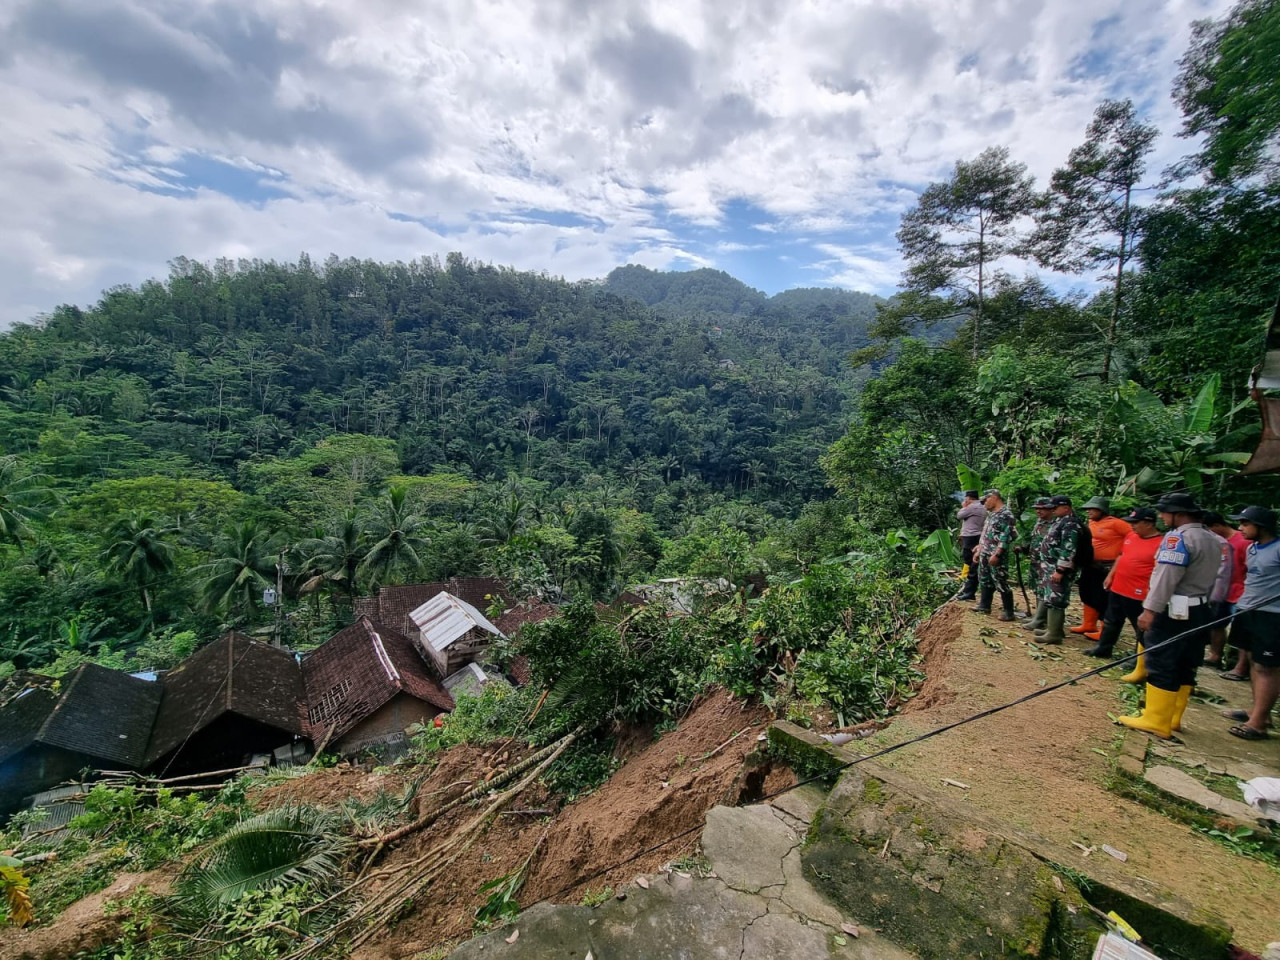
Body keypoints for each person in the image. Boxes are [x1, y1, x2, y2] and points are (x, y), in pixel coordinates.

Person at [1118, 493, 1222, 739]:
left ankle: (1155, 720)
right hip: (1200, 608)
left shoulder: (1178, 539)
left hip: (1174, 609)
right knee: (1187, 661)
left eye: (1165, 513)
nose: (1162, 517)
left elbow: (1167, 577)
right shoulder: (1212, 539)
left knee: (1162, 660)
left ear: (1179, 514)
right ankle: (1173, 718)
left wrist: (1150, 610)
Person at [1223, 506, 1280, 740]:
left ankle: (1258, 724)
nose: (1240, 528)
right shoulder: (1253, 547)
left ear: (1261, 526)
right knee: (1254, 663)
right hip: (1248, 609)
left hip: (1272, 614)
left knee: (1266, 667)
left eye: (1246, 524)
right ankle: (1258, 712)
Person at [1084, 507, 1162, 660]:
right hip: (1119, 587)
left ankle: (1141, 659)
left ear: (1149, 523)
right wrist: (1111, 576)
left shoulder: (1160, 543)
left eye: (1136, 522)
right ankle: (1104, 648)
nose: (1132, 525)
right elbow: (1121, 556)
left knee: (1141, 626)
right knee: (1111, 619)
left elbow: (1160, 571)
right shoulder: (1132, 536)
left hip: (1139, 591)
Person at [1071, 497, 1131, 641]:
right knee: (1086, 593)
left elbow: (1133, 537)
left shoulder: (1117, 523)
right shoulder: (1091, 523)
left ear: (1102, 510)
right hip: (1090, 565)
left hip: (1107, 567)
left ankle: (1105, 630)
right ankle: (1089, 624)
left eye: (1092, 509)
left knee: (1102, 598)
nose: (1089, 512)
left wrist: (1123, 553)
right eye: (1088, 509)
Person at [1202, 511, 1249, 675]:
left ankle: (1238, 664)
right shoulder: (1216, 542)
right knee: (1216, 624)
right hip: (1220, 590)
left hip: (1240, 591)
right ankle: (1215, 655)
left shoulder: (1243, 542)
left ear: (1216, 526)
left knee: (1240, 629)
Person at [1036, 495, 1083, 644]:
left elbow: (1068, 548)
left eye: (1055, 508)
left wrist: (1061, 569)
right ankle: (1053, 629)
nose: (1053, 510)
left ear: (1066, 507)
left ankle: (1054, 634)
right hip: (1050, 566)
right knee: (1051, 596)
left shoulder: (1071, 523)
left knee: (1057, 597)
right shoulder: (1060, 521)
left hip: (1059, 568)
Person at [972, 488, 1017, 622]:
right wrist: (979, 549)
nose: (984, 503)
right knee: (984, 579)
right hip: (985, 552)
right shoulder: (992, 515)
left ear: (994, 498)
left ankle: (1009, 611)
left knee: (1000, 580)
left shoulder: (1006, 515)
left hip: (996, 555)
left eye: (985, 500)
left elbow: (1006, 536)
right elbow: (985, 533)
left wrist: (997, 554)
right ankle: (984, 605)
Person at [1017, 497, 1054, 632]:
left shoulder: (1056, 524)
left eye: (1042, 508)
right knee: (1038, 589)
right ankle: (1039, 617)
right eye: (1037, 508)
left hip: (1049, 563)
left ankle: (1041, 619)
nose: (1038, 511)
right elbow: (1036, 539)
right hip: (1036, 561)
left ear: (1051, 509)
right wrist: (1024, 548)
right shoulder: (1040, 522)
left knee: (1046, 590)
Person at [955, 490, 988, 602]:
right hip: (975, 536)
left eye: (966, 499)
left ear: (969, 498)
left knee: (971, 564)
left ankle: (969, 592)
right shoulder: (981, 506)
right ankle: (969, 590)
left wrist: (964, 506)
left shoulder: (972, 507)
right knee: (972, 563)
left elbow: (959, 515)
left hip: (971, 537)